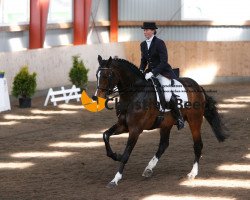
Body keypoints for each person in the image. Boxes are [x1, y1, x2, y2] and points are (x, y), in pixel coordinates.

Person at [139, 22, 184, 130]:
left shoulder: (159, 43)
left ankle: (179, 118)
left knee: (167, 95)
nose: (145, 32)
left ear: (153, 31)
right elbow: (144, 60)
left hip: (163, 72)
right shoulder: (143, 44)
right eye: (144, 30)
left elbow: (164, 61)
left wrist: (153, 73)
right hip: (150, 72)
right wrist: (141, 70)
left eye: (147, 30)